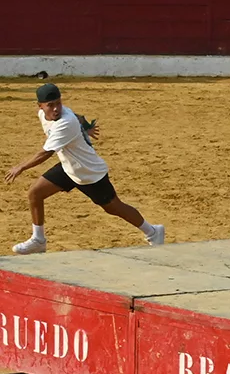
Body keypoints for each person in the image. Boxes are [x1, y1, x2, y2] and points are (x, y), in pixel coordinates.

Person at [7, 83, 165, 255]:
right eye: (50, 105)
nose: (56, 109)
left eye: (58, 103)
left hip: (89, 172)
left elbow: (45, 153)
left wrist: (21, 167)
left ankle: (153, 232)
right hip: (69, 167)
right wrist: (85, 128)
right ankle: (38, 240)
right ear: (40, 106)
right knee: (35, 193)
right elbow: (78, 116)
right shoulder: (45, 115)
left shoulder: (65, 122)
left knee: (114, 207)